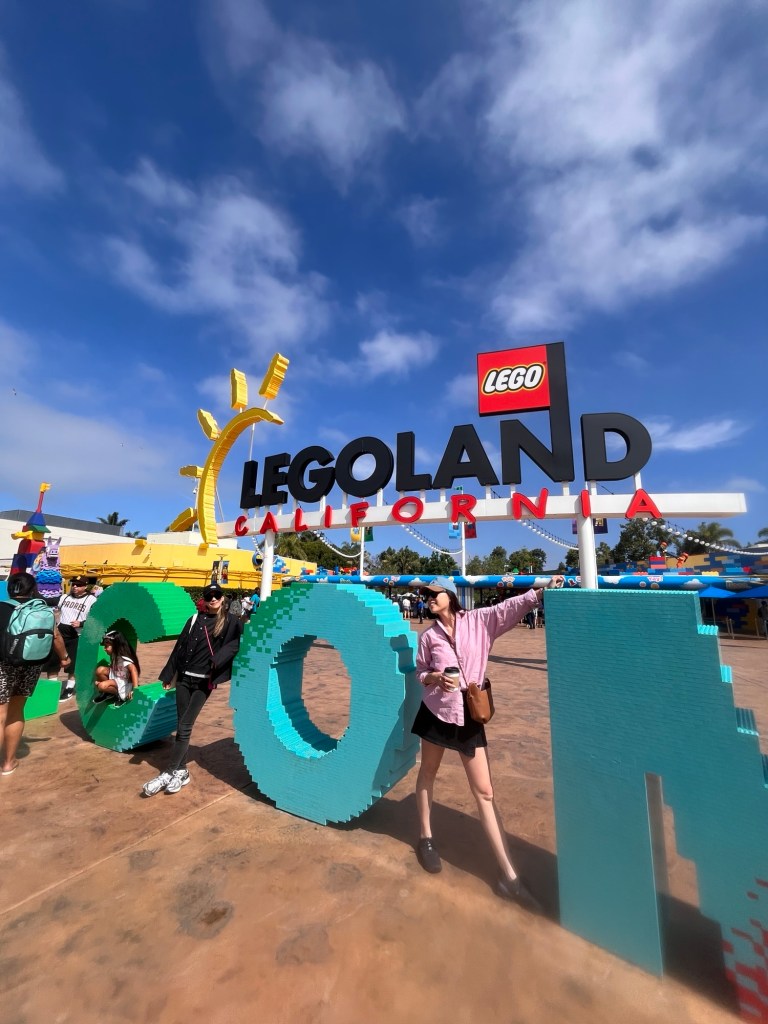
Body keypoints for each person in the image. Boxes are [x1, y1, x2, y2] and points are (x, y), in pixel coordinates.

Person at [411, 574, 564, 908]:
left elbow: (509, 607)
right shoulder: (428, 636)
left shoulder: (479, 621)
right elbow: (420, 672)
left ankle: (508, 876)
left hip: (468, 714)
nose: (428, 599)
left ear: (450, 595)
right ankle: (426, 838)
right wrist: (434, 677)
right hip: (435, 711)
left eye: (434, 593)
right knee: (428, 773)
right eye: (425, 595)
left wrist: (540, 592)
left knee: (484, 792)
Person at [142, 583, 243, 797]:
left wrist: (219, 659)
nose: (213, 599)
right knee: (182, 724)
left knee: (185, 726)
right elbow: (179, 647)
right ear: (204, 600)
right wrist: (169, 674)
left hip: (203, 682)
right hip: (184, 679)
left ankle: (168, 772)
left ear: (222, 597)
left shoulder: (231, 622)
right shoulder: (195, 619)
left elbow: (239, 642)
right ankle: (181, 771)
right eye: (209, 596)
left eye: (216, 595)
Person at [0, 573, 70, 775]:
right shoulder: (41, 610)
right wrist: (65, 658)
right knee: (16, 712)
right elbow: (56, 637)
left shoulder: (1, 608)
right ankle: (8, 763)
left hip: (2, 666)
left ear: (9, 589)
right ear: (33, 590)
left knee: (0, 715)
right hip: (29, 666)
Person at [54, 576, 96, 700]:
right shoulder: (64, 597)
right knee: (54, 661)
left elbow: (96, 619)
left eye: (78, 585)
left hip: (77, 635)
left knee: (73, 664)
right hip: (61, 633)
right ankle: (52, 687)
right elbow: (56, 610)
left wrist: (81, 623)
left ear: (85, 586)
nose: (75, 587)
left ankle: (69, 688)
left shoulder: (91, 600)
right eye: (74, 584)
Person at [93, 630, 140, 706]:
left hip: (123, 682)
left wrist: (135, 689)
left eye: (106, 646)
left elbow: (133, 670)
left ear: (115, 646)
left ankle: (116, 694)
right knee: (100, 670)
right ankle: (109, 692)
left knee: (101, 686)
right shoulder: (114, 654)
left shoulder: (124, 659)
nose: (104, 649)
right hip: (115, 677)